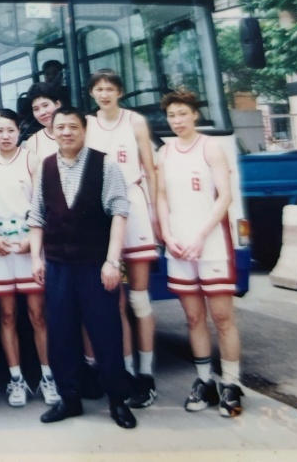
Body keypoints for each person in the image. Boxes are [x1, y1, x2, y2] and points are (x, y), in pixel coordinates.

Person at [27, 106, 137, 430]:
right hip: (58, 266)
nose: (66, 132)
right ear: (53, 131)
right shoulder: (46, 167)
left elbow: (119, 212)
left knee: (106, 331)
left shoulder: (105, 164)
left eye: (73, 127)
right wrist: (36, 258)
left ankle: (118, 400)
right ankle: (69, 398)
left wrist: (112, 261)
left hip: (95, 266)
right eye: (60, 127)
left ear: (84, 130)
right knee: (61, 333)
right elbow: (37, 216)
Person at [157, 90, 244, 418]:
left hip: (211, 244)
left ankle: (232, 383)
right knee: (193, 318)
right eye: (171, 116)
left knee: (222, 317)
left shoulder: (211, 147)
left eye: (182, 114)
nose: (177, 121)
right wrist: (167, 235)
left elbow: (225, 196)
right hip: (179, 246)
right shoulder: (165, 152)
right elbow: (161, 197)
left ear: (195, 114)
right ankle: (204, 380)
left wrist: (200, 236)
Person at [86, 70, 160, 408]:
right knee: (112, 300)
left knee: (139, 300)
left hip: (135, 207)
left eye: (110, 89)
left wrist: (156, 215)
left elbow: (151, 170)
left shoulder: (135, 122)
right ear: (92, 93)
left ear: (120, 92)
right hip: (101, 212)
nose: (104, 94)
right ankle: (125, 372)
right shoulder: (88, 124)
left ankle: (146, 373)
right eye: (99, 89)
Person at [0, 109, 55, 408]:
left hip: (28, 244)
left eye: (11, 130)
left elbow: (42, 204)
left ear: (18, 131)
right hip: (0, 246)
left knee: (38, 315)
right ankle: (16, 378)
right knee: (7, 315)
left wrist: (33, 243)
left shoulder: (31, 160)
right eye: (0, 131)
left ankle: (48, 377)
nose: (5, 136)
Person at [23, 83, 62, 159]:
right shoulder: (33, 142)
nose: (42, 113)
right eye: (36, 109)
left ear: (57, 104)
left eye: (45, 105)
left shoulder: (78, 132)